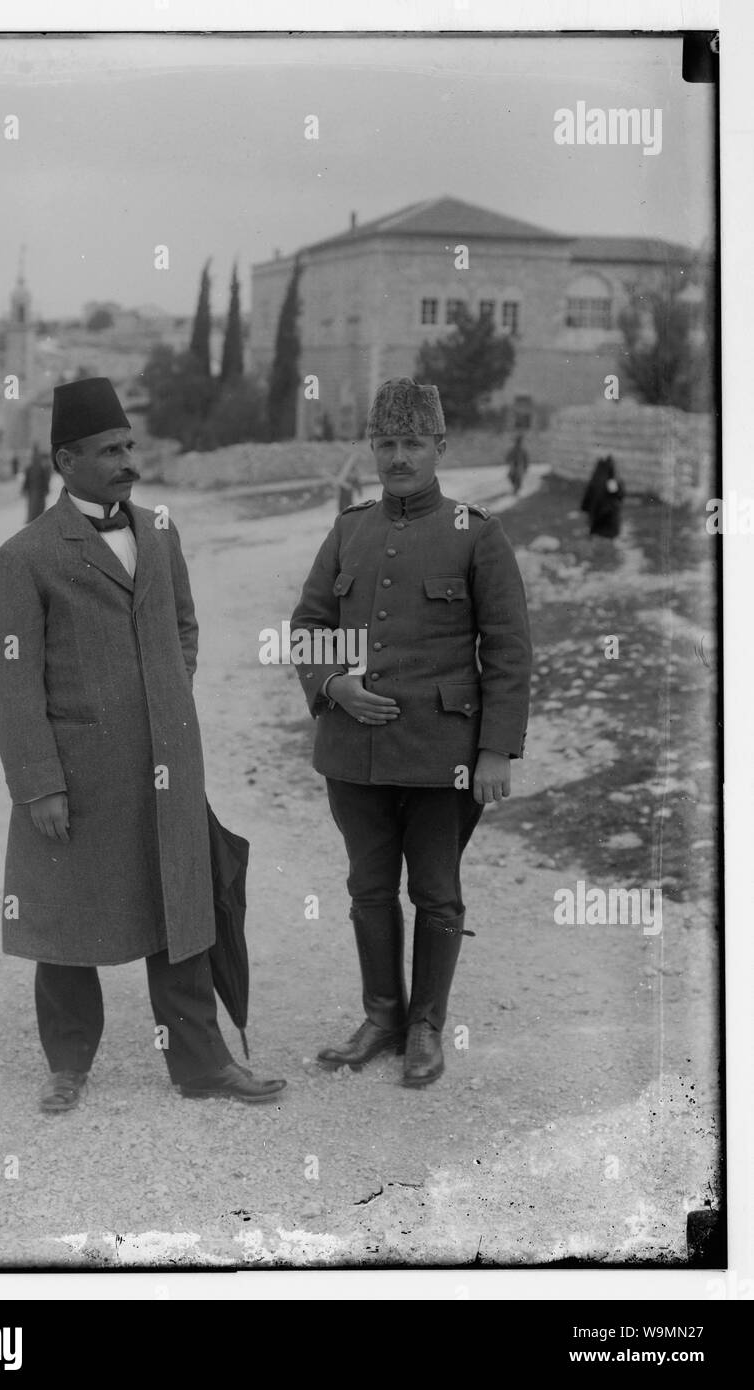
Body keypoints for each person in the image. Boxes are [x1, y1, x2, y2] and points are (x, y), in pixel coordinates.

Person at [0, 376, 285, 1112]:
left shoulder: (160, 530)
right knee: (62, 920)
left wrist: (167, 699)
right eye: (108, 449)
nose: (126, 460)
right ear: (65, 460)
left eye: (128, 446)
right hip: (78, 775)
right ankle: (67, 1066)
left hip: (167, 765)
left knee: (180, 913)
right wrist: (39, 783)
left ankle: (201, 1065)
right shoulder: (24, 557)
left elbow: (182, 624)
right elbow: (10, 681)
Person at [290, 378, 532, 1088]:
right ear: (371, 448)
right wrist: (333, 685)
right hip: (352, 753)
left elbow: (509, 650)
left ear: (438, 448)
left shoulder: (477, 533)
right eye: (386, 444)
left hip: (442, 757)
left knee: (435, 892)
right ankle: (379, 1017)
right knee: (368, 888)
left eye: (411, 444)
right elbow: (308, 628)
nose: (398, 458)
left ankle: (425, 1025)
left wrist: (493, 751)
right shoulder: (348, 529)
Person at [581, 455, 624, 539]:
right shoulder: (610, 480)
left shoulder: (598, 478)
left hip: (602, 514)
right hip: (605, 515)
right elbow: (619, 495)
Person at [21, 445, 50, 523]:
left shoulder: (41, 469)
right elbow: (26, 480)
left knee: (39, 505)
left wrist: (46, 489)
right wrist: (24, 489)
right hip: (33, 490)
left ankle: (38, 519)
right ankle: (32, 519)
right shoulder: (29, 469)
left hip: (39, 490)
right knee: (32, 506)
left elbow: (45, 480)